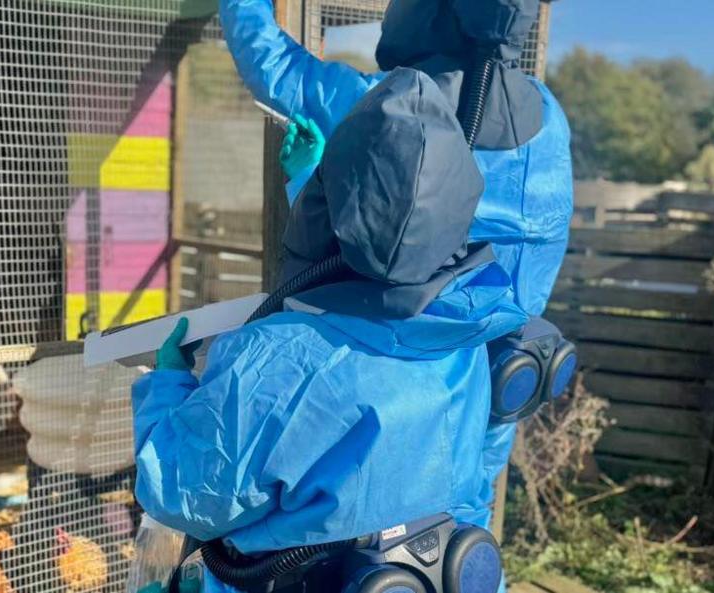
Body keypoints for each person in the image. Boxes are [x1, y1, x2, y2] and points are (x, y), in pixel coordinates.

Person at [133, 69, 529, 592]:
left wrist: (168, 385)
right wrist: (309, 177)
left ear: (336, 198)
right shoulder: (465, 335)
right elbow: (399, 241)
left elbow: (182, 494)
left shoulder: (275, 359)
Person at [226, 0, 573, 551]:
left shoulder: (391, 105)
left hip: (395, 384)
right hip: (499, 380)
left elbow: (273, 67)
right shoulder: (549, 116)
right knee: (460, 543)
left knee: (353, 545)